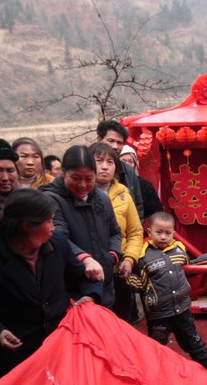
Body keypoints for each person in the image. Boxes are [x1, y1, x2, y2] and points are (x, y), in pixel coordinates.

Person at [0, 190, 102, 383]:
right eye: (48, 221)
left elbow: (82, 276)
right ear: (27, 226)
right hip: (16, 358)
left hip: (61, 346)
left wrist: (90, 296)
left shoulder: (56, 243)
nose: (53, 227)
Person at [126, 211, 207, 371]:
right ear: (149, 231)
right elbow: (140, 285)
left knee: (194, 341)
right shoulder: (142, 256)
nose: (163, 237)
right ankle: (154, 374)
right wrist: (126, 277)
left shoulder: (179, 250)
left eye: (168, 233)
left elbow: (186, 269)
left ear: (174, 233)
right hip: (159, 314)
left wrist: (205, 261)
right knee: (156, 347)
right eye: (159, 232)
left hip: (182, 309)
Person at [43, 145, 124, 309]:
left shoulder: (102, 198)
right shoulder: (50, 200)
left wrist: (112, 256)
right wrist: (85, 259)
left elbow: (115, 232)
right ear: (62, 173)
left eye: (89, 179)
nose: (82, 184)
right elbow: (58, 237)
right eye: (75, 178)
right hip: (71, 288)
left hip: (104, 285)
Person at [92, 142, 143, 321]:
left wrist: (129, 259)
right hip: (91, 271)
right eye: (99, 161)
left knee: (122, 320)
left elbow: (136, 232)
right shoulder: (81, 195)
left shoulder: (124, 196)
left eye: (110, 162)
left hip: (119, 270)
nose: (105, 166)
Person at [98, 119, 145, 217]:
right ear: (99, 139)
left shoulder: (128, 171)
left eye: (119, 143)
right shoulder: (86, 166)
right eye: (111, 141)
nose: (115, 146)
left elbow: (138, 206)